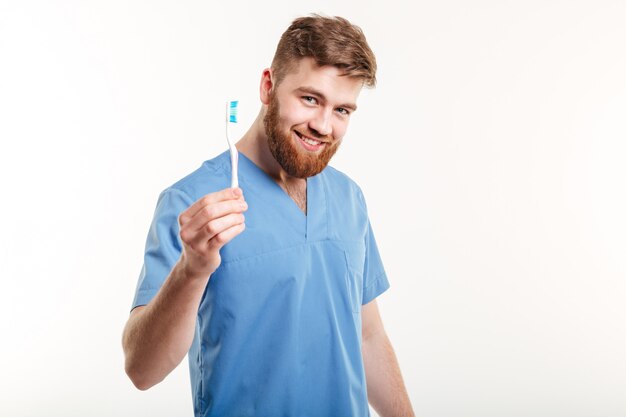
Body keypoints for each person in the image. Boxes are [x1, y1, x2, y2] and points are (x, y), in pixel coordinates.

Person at [122, 14, 414, 417]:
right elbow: (141, 370)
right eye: (310, 99)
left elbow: (367, 337)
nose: (323, 125)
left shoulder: (349, 198)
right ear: (267, 86)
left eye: (343, 110)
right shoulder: (191, 203)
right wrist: (191, 270)